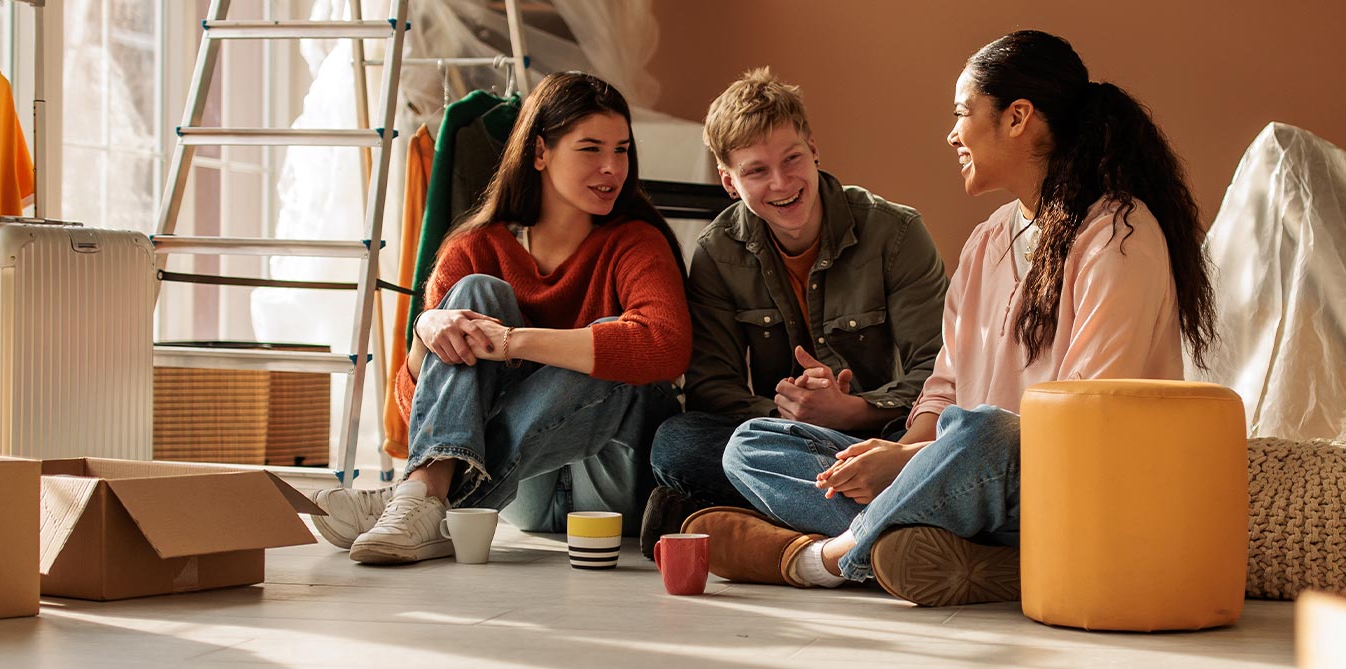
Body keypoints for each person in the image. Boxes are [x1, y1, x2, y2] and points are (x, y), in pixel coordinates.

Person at [685, 30, 1218, 606]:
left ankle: (825, 558)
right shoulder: (987, 240)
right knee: (751, 444)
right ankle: (963, 552)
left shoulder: (1117, 235)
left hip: (1067, 486)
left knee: (983, 430)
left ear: (1018, 117)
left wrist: (910, 460)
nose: (951, 132)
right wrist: (902, 451)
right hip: (964, 479)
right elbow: (942, 388)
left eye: (962, 112)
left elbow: (1080, 422)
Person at [309, 71, 691, 565]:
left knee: (613, 343)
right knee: (475, 293)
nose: (611, 168)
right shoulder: (476, 248)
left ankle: (425, 504)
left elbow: (665, 345)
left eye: (621, 150)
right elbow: (415, 410)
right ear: (539, 153)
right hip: (519, 494)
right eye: (590, 149)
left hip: (613, 482)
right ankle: (427, 498)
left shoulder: (636, 241)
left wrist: (514, 342)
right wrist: (427, 335)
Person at [642, 67, 949, 557]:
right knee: (676, 442)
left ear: (814, 149)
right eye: (756, 171)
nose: (782, 183)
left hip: (888, 435)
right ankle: (887, 527)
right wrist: (789, 415)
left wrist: (854, 410)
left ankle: (776, 520)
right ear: (728, 180)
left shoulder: (895, 233)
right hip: (778, 443)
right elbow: (712, 387)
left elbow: (939, 369)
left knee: (957, 439)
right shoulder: (717, 252)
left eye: (792, 159)